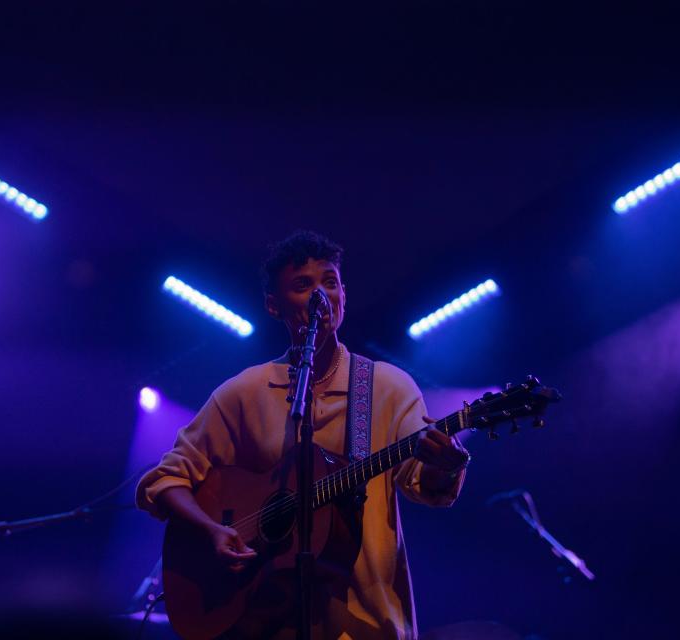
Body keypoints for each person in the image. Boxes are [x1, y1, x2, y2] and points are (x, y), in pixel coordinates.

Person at [136, 230, 470, 639]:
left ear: (344, 294)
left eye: (329, 282)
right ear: (273, 305)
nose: (320, 295)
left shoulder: (386, 386)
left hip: (366, 625)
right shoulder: (244, 391)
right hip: (262, 623)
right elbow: (166, 479)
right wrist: (213, 531)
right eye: (302, 285)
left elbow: (425, 486)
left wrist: (444, 466)